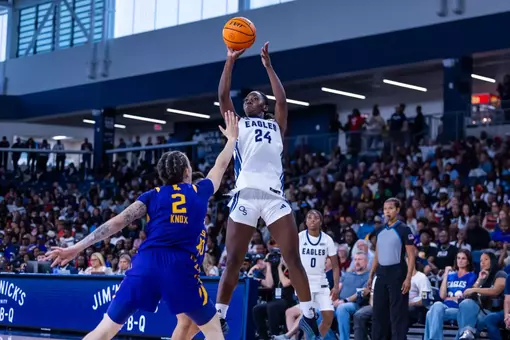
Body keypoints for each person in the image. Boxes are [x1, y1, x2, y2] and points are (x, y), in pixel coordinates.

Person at [45, 112, 240, 340]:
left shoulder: (151, 195)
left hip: (146, 264)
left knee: (104, 330)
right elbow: (220, 165)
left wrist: (75, 248)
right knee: (214, 331)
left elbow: (116, 223)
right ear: (187, 172)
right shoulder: (200, 191)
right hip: (180, 269)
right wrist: (232, 139)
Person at [215, 42, 322, 339]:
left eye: (254, 98)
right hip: (246, 195)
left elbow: (283, 102)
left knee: (292, 256)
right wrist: (230, 60)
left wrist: (269, 67)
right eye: (247, 98)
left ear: (264, 105)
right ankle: (220, 315)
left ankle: (309, 314)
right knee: (233, 259)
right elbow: (223, 96)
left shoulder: (277, 125)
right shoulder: (237, 124)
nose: (248, 100)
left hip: (275, 197)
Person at [274, 210, 339, 339]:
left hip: (321, 282)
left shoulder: (327, 240)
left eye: (316, 218)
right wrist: (294, 274)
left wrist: (336, 286)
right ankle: (288, 336)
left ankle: (313, 337)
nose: (312, 220)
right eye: (309, 217)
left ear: (320, 222)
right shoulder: (299, 237)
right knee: (309, 314)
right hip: (304, 282)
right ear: (306, 221)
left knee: (328, 316)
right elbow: (287, 256)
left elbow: (336, 266)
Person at [369, 198, 416, 340]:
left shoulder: (404, 229)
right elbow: (377, 254)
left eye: (390, 208)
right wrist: (371, 275)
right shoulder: (379, 230)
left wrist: (408, 278)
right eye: (385, 208)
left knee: (397, 313)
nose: (387, 211)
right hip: (381, 273)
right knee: (378, 312)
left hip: (397, 273)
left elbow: (411, 255)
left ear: (397, 210)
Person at [424, 249, 477, 340]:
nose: (460, 261)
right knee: (436, 305)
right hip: (445, 308)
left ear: (468, 261)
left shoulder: (471, 276)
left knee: (430, 314)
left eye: (463, 258)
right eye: (458, 258)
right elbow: (442, 296)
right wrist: (446, 275)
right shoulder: (450, 276)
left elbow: (465, 296)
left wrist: (450, 298)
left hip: (459, 309)